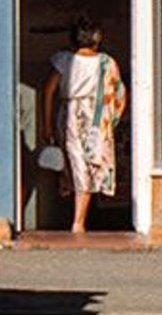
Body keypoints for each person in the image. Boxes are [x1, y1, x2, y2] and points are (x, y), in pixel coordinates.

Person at [47, 19, 124, 235]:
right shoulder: (106, 63)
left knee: (76, 164)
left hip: (69, 115)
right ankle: (78, 222)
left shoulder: (64, 61)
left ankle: (78, 219)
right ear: (97, 40)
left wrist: (47, 124)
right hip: (96, 117)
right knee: (89, 165)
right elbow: (119, 93)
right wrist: (112, 121)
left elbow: (49, 90)